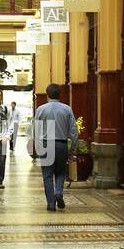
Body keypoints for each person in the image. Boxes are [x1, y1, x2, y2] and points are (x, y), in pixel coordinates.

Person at [30, 83, 78, 211]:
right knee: (61, 172)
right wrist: (73, 146)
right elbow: (73, 130)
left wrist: (36, 144)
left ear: (47, 95)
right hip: (61, 144)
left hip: (46, 144)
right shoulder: (67, 109)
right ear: (60, 94)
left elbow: (36, 129)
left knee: (47, 175)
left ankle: (51, 204)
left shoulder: (41, 109)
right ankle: (59, 192)